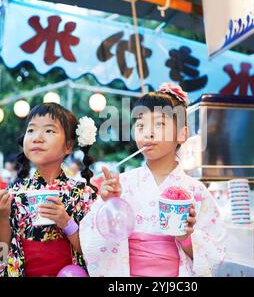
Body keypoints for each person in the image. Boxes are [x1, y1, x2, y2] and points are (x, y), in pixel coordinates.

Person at [80, 83, 226, 277]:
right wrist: (109, 205)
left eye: (159, 124)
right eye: (140, 125)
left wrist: (186, 238)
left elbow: (216, 254)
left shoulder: (196, 191)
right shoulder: (122, 184)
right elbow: (92, 241)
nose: (148, 133)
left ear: (182, 134)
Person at [0, 103, 97, 277]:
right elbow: (0, 258)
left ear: (68, 146)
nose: (37, 137)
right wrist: (1, 216)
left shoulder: (84, 194)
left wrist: (67, 223)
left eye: (49, 131)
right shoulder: (14, 194)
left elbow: (96, 253)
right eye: (31, 130)